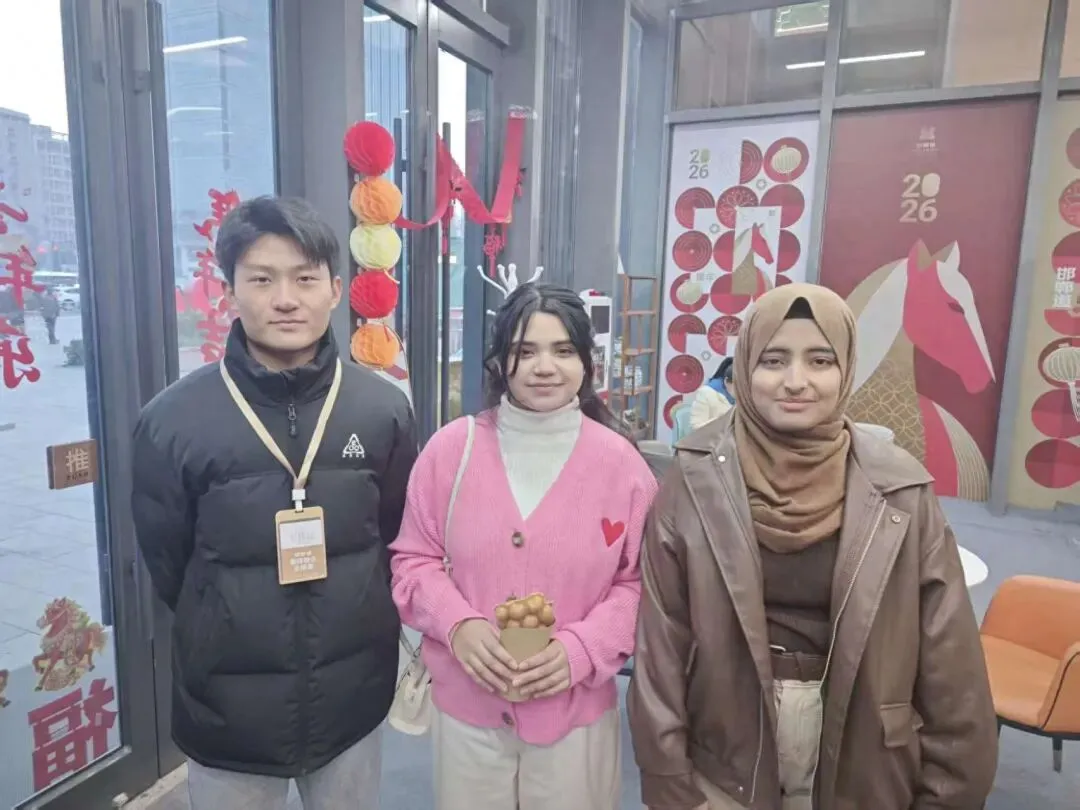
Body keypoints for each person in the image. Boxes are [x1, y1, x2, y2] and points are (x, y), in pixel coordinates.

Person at [628, 284, 997, 810]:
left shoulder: (899, 489)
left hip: (862, 752)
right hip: (722, 746)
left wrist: (950, 792)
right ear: (744, 367)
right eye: (773, 360)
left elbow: (950, 660)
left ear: (845, 369)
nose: (795, 381)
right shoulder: (693, 477)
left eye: (820, 360)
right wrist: (669, 779)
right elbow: (660, 645)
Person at [131, 196, 417, 810]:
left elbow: (394, 537)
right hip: (228, 712)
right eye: (262, 280)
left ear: (335, 290)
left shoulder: (382, 409)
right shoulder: (172, 421)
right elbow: (169, 564)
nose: (285, 299)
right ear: (229, 291)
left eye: (305, 279)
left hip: (351, 696)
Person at [390, 283, 658, 810]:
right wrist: (457, 624)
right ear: (499, 361)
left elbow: (641, 583)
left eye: (563, 350)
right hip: (468, 710)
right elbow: (412, 560)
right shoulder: (452, 451)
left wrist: (583, 650)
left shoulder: (623, 466)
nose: (544, 367)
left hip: (574, 714)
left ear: (587, 362)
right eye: (525, 351)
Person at [689, 356, 734, 431]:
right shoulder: (706, 393)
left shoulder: (745, 396)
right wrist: (722, 422)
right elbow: (696, 426)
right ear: (727, 381)